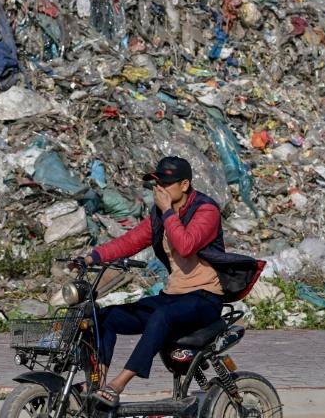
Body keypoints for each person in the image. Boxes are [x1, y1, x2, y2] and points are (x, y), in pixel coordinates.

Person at [79, 156, 263, 407]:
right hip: (173, 297)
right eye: (157, 184)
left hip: (204, 298)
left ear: (184, 185)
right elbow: (130, 241)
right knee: (106, 317)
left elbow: (186, 245)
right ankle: (97, 384)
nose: (159, 190)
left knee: (162, 316)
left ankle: (118, 385)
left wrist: (167, 211)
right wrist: (91, 258)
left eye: (165, 184)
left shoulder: (205, 210)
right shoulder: (159, 216)